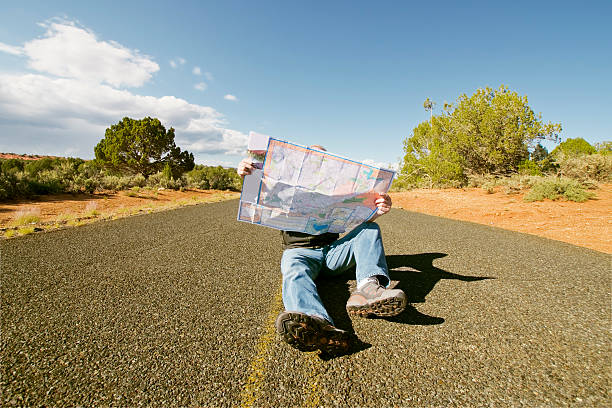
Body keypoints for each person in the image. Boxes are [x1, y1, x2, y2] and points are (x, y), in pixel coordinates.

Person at [237, 146, 406, 355]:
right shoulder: (283, 188)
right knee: (294, 272)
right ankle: (316, 324)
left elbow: (355, 220)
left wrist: (377, 211)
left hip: (332, 251)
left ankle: (368, 289)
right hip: (299, 252)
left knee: (370, 229)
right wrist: (248, 176)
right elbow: (255, 200)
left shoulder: (336, 190)